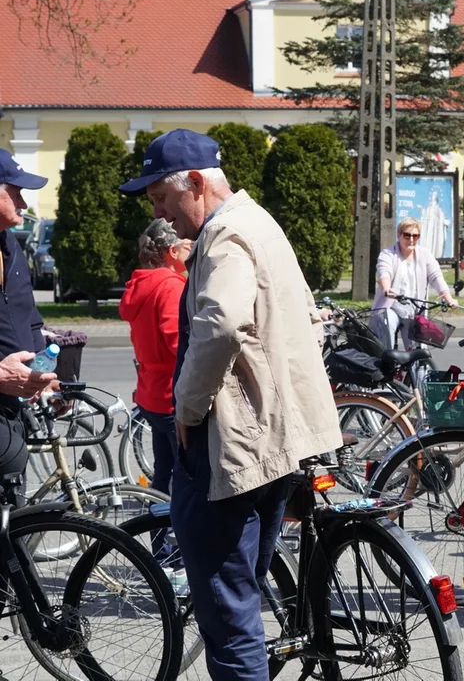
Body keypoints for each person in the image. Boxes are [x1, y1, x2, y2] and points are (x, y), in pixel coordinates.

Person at [119, 129, 341, 680]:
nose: (162, 215)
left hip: (234, 442)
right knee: (243, 588)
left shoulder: (224, 235)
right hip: (279, 438)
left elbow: (219, 325)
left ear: (194, 184)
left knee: (228, 611)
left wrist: (186, 408)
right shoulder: (260, 221)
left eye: (161, 199)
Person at [0, 150, 58, 506]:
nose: (24, 201)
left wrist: (45, 376)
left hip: (10, 416)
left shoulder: (12, 245)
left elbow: (29, 320)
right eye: (15, 191)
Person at [119, 218, 191, 496]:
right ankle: (186, 538)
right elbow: (179, 345)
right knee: (189, 481)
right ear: (172, 252)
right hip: (172, 396)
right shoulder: (171, 287)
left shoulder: (141, 285)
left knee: (163, 479)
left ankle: (159, 537)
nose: (192, 249)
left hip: (152, 394)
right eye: (187, 245)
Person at [373, 217, 457, 350]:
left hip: (414, 311)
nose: (411, 240)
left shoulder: (425, 254)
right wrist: (387, 288)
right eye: (407, 235)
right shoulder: (388, 254)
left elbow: (436, 276)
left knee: (418, 353)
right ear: (399, 235)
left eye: (415, 236)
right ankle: (387, 362)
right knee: (387, 322)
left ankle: (417, 369)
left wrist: (448, 298)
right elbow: (384, 272)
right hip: (391, 307)